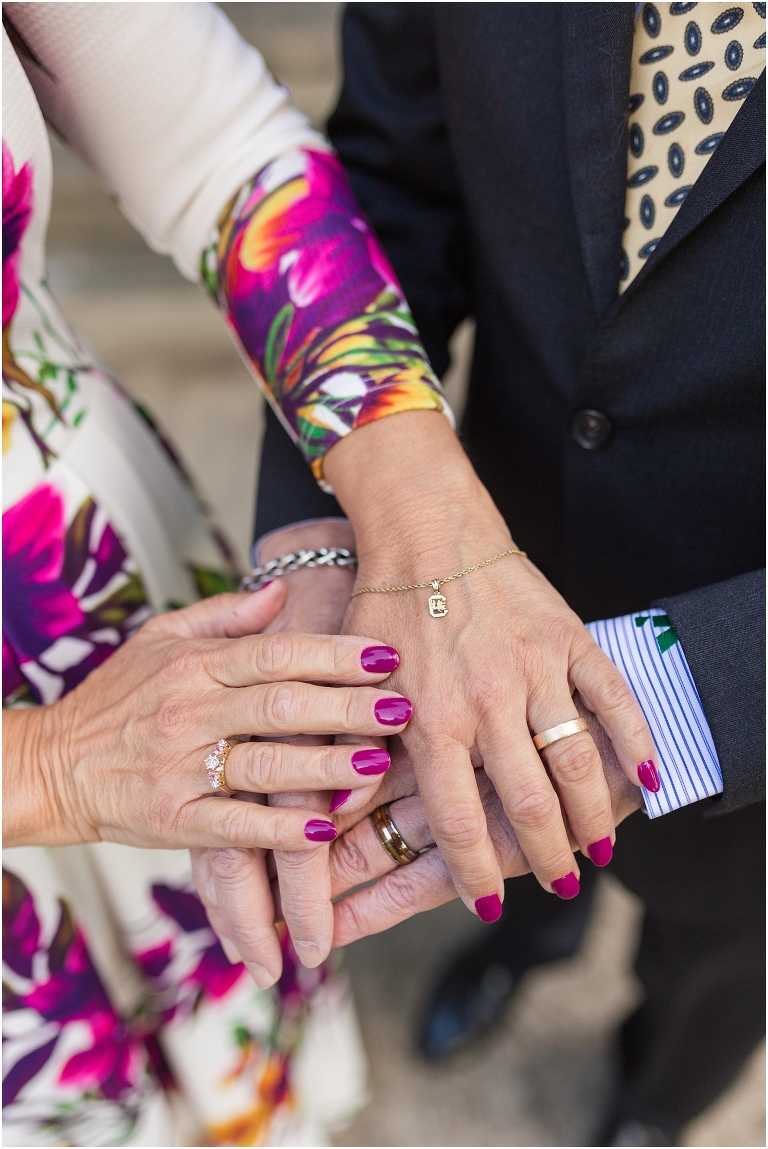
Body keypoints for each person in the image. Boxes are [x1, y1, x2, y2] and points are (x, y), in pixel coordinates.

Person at [213, 3, 765, 1145]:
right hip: (482, 542)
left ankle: (655, 1097)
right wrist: (335, 522)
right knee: (495, 845)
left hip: (747, 708)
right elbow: (390, 181)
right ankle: (522, 939)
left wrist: (678, 697)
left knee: (716, 963)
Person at [2, 4, 418, 1144]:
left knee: (218, 926)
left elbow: (223, 150)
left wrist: (410, 495)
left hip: (76, 555)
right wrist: (47, 764)